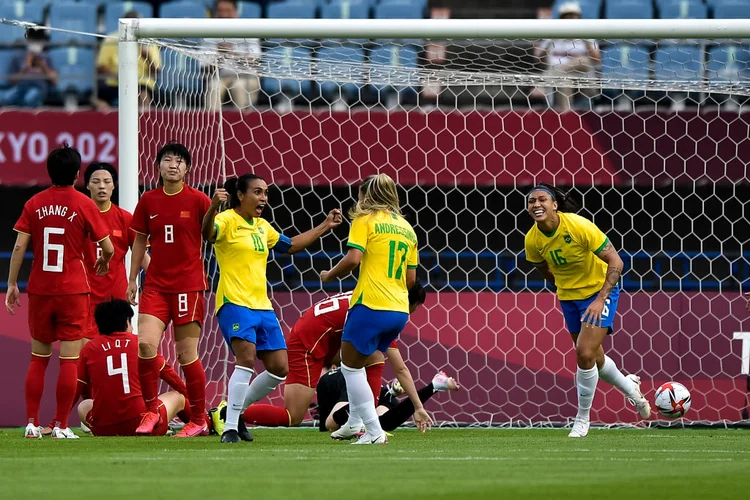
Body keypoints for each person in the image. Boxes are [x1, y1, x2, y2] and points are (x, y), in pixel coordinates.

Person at [202, 174, 342, 443]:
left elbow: (290, 246)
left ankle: (233, 413)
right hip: (234, 302)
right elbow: (207, 234)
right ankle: (230, 428)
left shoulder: (262, 226)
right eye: (257, 192)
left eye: (265, 192)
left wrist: (325, 225)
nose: (264, 197)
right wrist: (211, 208)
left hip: (262, 306)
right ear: (240, 195)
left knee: (280, 367)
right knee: (246, 359)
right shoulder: (226, 220)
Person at [524, 183, 651, 438]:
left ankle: (582, 419)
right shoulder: (532, 240)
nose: (536, 204)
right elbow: (544, 270)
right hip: (569, 297)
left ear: (554, 205)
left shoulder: (579, 226)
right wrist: (568, 287)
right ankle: (630, 387)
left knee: (584, 354)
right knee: (594, 358)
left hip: (599, 291)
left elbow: (616, 261)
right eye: (531, 201)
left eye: (542, 200)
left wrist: (600, 298)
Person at [213, 283, 427, 432]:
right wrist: (418, 407)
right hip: (307, 345)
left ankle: (361, 422)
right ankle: (227, 413)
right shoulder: (380, 312)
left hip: (324, 340)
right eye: (413, 308)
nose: (410, 314)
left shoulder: (370, 295)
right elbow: (401, 370)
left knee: (372, 356)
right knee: (293, 417)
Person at [6, 145, 114, 439]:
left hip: (41, 289)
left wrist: (13, 283)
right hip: (73, 291)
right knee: (68, 360)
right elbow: (109, 247)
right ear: (78, 174)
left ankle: (31, 423)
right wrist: (103, 261)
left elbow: (19, 246)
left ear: (49, 172)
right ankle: (61, 425)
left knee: (38, 358)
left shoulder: (34, 203)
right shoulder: (84, 203)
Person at [320, 174, 430, 444]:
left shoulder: (364, 220)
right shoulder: (407, 228)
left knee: (350, 368)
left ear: (365, 196)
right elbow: (411, 280)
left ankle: (373, 431)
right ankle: (353, 424)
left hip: (371, 304)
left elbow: (354, 258)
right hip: (398, 310)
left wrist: (329, 276)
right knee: (367, 362)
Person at [127, 142, 212, 438]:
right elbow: (139, 242)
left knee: (187, 354)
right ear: (159, 166)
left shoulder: (200, 200)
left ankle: (199, 418)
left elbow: (214, 234)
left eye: (179, 161)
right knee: (145, 346)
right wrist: (131, 279)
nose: (173, 165)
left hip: (189, 287)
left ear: (187, 168)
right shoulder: (148, 200)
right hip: (156, 287)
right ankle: (151, 410)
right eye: (167, 160)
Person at [77, 299, 185, 436]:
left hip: (104, 428)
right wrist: (190, 398)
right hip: (141, 423)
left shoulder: (89, 348)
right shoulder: (140, 343)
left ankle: (100, 426)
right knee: (178, 396)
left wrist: (59, 421)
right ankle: (202, 423)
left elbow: (80, 386)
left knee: (84, 405)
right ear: (127, 321)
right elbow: (170, 376)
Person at [319, 368, 459, 435]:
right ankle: (433, 386)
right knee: (382, 424)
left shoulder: (333, 378)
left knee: (331, 423)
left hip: (367, 391)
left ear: (332, 366)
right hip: (378, 395)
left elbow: (330, 424)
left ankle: (387, 391)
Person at [534, 2, 600, 111]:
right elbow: (538, 60)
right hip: (560, 79)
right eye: (566, 16)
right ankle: (567, 117)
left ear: (579, 18)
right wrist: (550, 42)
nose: (570, 19)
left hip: (582, 77)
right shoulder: (552, 35)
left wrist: (585, 40)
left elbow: (596, 60)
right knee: (565, 80)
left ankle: (548, 77)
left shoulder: (587, 34)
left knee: (582, 60)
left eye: (573, 16)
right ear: (561, 18)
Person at [96, 10, 160, 111]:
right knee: (96, 99)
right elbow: (100, 67)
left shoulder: (149, 40)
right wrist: (116, 75)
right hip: (117, 83)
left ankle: (141, 124)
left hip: (141, 83)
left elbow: (156, 72)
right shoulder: (111, 39)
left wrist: (147, 57)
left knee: (143, 95)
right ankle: (111, 124)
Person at [203, 0, 261, 110]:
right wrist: (219, 56)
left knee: (239, 87)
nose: (224, 15)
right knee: (214, 87)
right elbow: (205, 66)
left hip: (245, 76)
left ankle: (243, 122)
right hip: (220, 76)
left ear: (236, 12)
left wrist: (232, 54)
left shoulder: (248, 29)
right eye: (220, 11)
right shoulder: (209, 31)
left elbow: (255, 60)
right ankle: (212, 123)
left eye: (228, 11)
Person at [1, 28, 56, 107]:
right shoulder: (18, 57)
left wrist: (43, 66)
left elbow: (55, 81)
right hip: (20, 87)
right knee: (6, 99)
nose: (35, 43)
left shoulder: (46, 57)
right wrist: (25, 67)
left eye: (38, 40)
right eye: (33, 39)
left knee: (29, 99)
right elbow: (12, 81)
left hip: (38, 88)